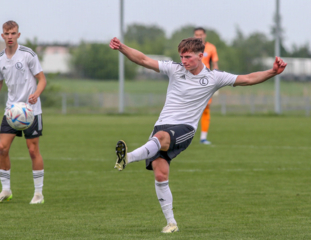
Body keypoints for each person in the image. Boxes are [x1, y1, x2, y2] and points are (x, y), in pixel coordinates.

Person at [110, 37, 286, 233]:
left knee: (160, 138)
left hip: (184, 129)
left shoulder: (214, 77)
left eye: (188, 57)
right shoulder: (174, 69)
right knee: (160, 175)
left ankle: (127, 157)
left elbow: (247, 79)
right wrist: (122, 47)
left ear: (201, 56)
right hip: (161, 126)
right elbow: (143, 59)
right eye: (181, 57)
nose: (183, 61)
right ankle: (172, 223)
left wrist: (273, 72)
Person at [0, 20, 47, 204]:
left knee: (33, 151)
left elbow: (42, 79)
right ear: (2, 35)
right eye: (7, 34)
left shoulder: (28, 55)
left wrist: (36, 94)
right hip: (11, 111)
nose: (10, 37)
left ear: (18, 35)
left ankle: (38, 194)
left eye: (13, 33)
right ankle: (6, 190)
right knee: (2, 148)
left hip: (31, 111)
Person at [194, 27, 219, 145]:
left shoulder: (211, 48)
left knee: (205, 108)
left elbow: (215, 65)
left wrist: (217, 81)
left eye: (201, 34)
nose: (199, 37)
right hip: (192, 81)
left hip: (206, 82)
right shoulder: (190, 48)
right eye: (196, 35)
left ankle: (203, 137)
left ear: (205, 35)